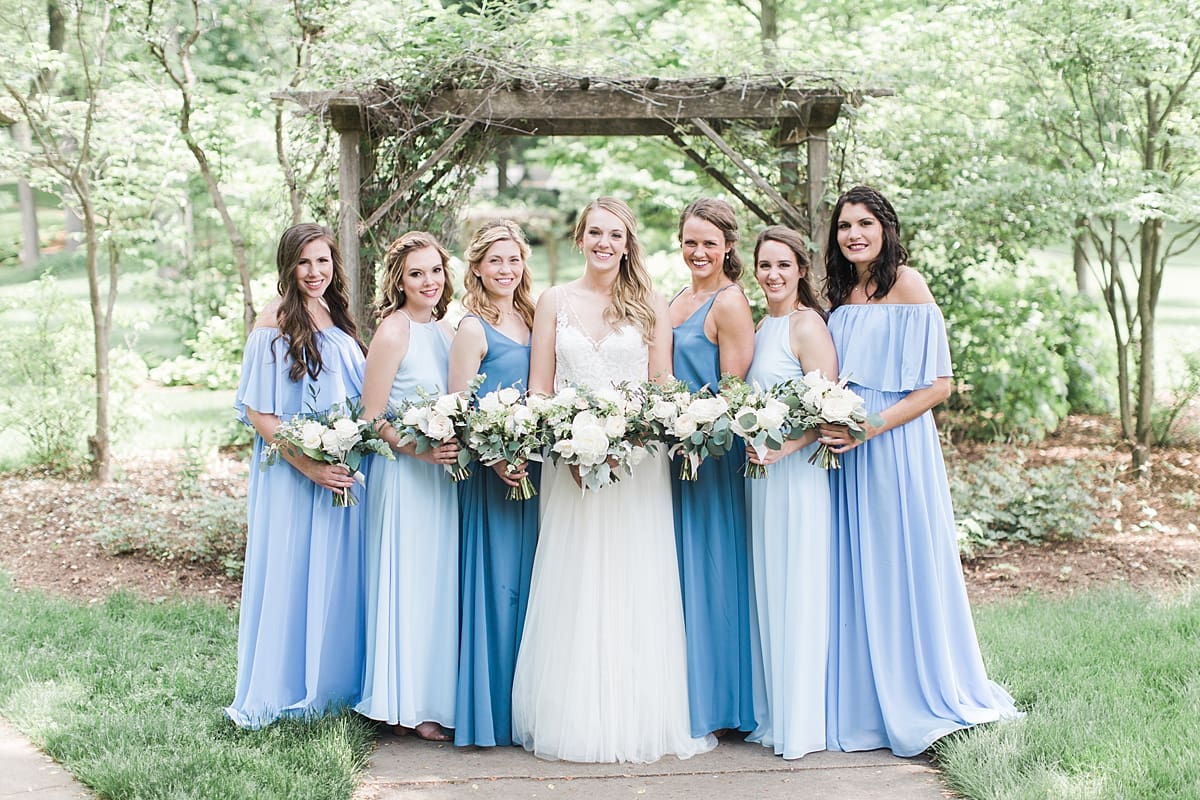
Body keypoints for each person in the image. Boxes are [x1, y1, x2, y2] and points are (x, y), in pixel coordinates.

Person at [511, 197, 716, 763]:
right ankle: (575, 718)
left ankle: (641, 716)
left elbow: (662, 383)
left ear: (628, 244)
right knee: (577, 580)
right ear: (581, 238)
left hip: (638, 466)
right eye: (596, 232)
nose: (605, 242)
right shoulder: (554, 301)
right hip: (571, 465)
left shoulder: (650, 301)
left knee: (635, 579)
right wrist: (569, 445)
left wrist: (637, 439)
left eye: (616, 235)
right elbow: (540, 389)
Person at [818, 186, 1020, 757]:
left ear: (886, 227)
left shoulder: (908, 284)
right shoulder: (842, 292)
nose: (853, 234)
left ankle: (916, 690)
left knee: (898, 560)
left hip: (894, 442)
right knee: (854, 568)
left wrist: (873, 425)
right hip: (845, 445)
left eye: (864, 224)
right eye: (844, 226)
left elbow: (939, 385)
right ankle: (860, 697)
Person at [225, 223, 367, 729]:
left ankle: (335, 685)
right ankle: (285, 687)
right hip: (294, 475)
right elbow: (261, 415)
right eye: (304, 263)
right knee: (294, 572)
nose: (315, 272)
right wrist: (311, 466)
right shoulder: (274, 323)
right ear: (288, 266)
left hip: (341, 470)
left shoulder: (334, 312)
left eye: (323, 261)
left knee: (335, 575)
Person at [355, 231, 460, 742]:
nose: (428, 282)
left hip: (443, 480)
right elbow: (372, 416)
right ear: (399, 279)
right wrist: (420, 448)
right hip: (404, 478)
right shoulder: (393, 331)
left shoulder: (447, 330)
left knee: (438, 587)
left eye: (435, 271)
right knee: (409, 584)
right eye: (416, 273)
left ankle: (432, 697)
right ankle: (404, 703)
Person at [743, 226, 838, 759]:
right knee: (769, 589)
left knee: (797, 589)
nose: (773, 275)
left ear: (801, 269)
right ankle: (774, 714)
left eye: (783, 265)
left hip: (796, 477)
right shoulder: (762, 326)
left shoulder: (807, 326)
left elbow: (828, 407)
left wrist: (785, 447)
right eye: (765, 265)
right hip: (761, 480)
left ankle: (801, 723)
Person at [666, 198, 757, 738]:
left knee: (713, 572)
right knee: (678, 574)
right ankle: (686, 697)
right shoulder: (677, 298)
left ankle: (723, 706)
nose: (698, 252)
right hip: (672, 454)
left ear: (727, 246)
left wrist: (700, 437)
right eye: (690, 241)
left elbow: (735, 391)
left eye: (709, 242)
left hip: (710, 457)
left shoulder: (729, 302)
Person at [447, 220, 540, 747]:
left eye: (514, 260)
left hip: (538, 472)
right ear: (477, 268)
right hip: (493, 476)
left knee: (533, 590)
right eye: (495, 261)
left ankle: (529, 708)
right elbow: (460, 410)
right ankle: (491, 714)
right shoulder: (472, 328)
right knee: (498, 590)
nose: (506, 270)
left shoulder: (533, 316)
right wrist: (496, 458)